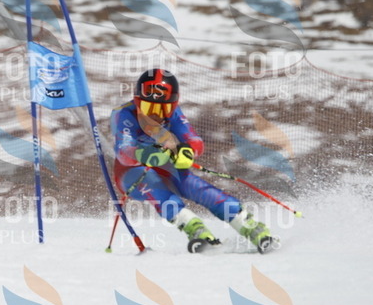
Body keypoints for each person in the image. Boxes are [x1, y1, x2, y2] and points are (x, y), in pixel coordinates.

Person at [110, 69, 273, 253]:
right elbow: (123, 151)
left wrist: (187, 151)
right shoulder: (124, 114)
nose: (155, 114)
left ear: (172, 105)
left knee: (197, 188)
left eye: (163, 109)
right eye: (149, 107)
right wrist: (142, 154)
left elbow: (195, 141)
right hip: (131, 173)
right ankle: (195, 229)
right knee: (157, 187)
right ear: (138, 101)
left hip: (165, 164)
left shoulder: (174, 112)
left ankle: (248, 225)